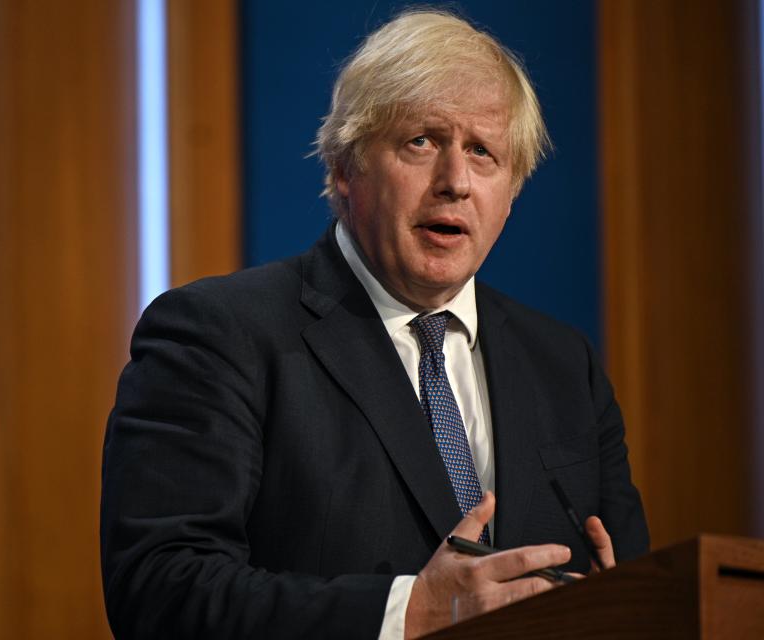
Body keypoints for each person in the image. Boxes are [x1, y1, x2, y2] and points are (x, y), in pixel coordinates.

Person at [100, 9, 648, 639]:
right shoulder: (218, 335)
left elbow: (635, 580)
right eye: (421, 141)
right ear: (345, 167)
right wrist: (407, 614)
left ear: (513, 191)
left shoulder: (564, 365)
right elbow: (161, 592)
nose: (455, 183)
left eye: (483, 152)